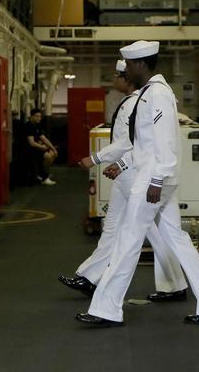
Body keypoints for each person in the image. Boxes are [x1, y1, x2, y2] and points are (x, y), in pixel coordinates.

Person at [76, 41, 199, 326]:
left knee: (128, 241)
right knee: (178, 241)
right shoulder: (149, 94)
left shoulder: (157, 95)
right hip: (155, 177)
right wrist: (103, 159)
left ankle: (106, 309)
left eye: (129, 65)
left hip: (153, 179)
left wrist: (156, 180)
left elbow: (166, 143)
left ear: (140, 65)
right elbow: (136, 142)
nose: (125, 71)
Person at [60, 60, 187, 300]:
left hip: (135, 174)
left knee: (149, 231)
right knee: (112, 228)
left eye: (117, 76)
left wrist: (97, 158)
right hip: (125, 174)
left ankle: (174, 284)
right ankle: (90, 277)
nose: (114, 81)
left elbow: (130, 143)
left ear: (126, 78)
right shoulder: (130, 102)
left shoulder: (137, 103)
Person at [24, 108, 58, 186]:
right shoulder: (28, 126)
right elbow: (31, 143)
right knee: (48, 156)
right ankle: (44, 178)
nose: (38, 118)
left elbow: (44, 139)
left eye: (39, 116)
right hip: (28, 149)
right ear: (31, 116)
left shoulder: (37, 125)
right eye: (36, 116)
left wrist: (53, 149)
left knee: (53, 153)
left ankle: (41, 174)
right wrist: (42, 147)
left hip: (36, 148)